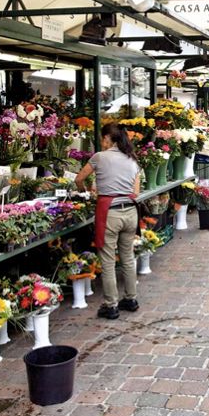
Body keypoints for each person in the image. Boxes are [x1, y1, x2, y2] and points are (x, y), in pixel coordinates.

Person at [75, 123, 140, 320]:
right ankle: (131, 299)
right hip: (130, 212)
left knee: (108, 260)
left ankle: (111, 305)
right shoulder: (132, 160)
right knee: (128, 257)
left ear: (108, 139)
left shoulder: (99, 157)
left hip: (110, 213)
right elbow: (136, 192)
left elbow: (79, 179)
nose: (102, 142)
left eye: (103, 139)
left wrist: (86, 191)